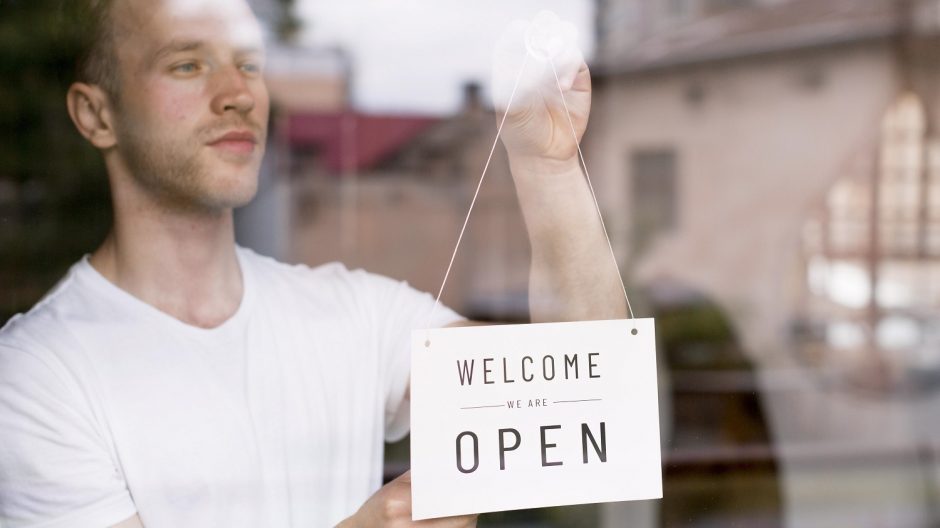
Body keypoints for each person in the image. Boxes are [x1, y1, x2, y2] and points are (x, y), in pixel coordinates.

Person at [0, 0, 626, 527]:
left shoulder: (355, 315)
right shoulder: (34, 378)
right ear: (96, 114)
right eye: (188, 64)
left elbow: (587, 404)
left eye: (250, 64)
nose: (237, 93)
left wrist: (548, 167)